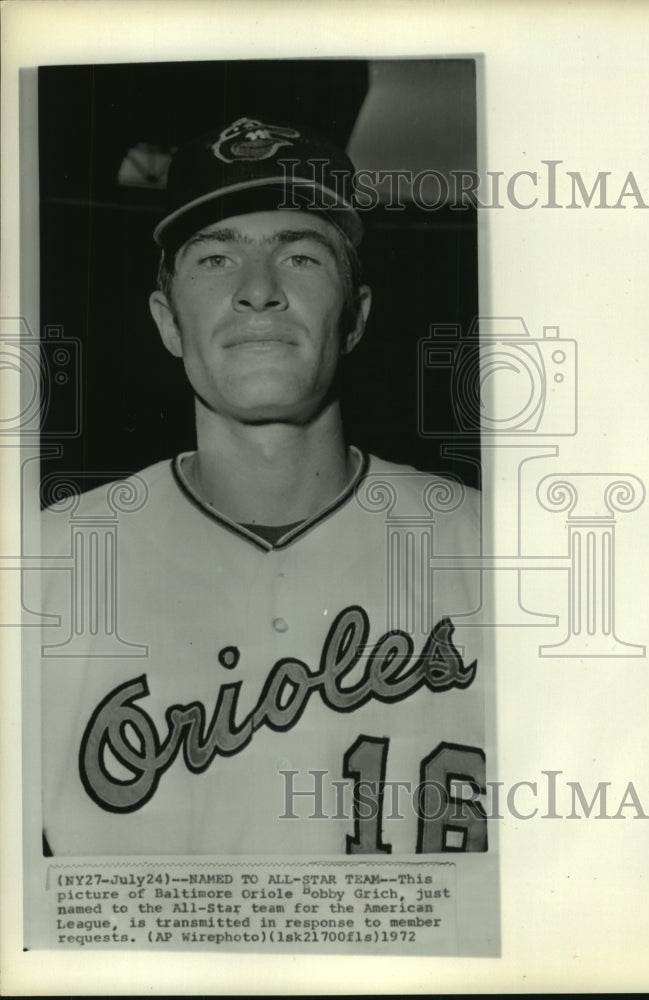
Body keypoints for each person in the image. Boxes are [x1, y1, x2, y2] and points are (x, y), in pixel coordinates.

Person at [40, 116, 488, 856]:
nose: (258, 292)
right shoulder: (43, 564)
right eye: (215, 258)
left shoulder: (493, 550)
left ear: (355, 318)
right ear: (166, 321)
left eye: (302, 257)